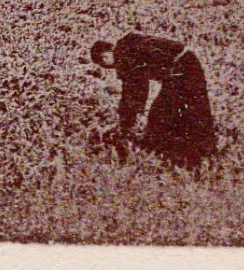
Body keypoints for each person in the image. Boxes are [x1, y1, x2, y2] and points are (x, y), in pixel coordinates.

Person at [91, 32, 217, 169]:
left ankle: (172, 159)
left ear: (105, 56)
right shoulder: (128, 46)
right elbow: (135, 87)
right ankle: (196, 157)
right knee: (190, 112)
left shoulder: (122, 53)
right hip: (188, 65)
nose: (111, 68)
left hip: (182, 70)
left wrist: (126, 123)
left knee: (161, 116)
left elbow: (135, 89)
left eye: (105, 63)